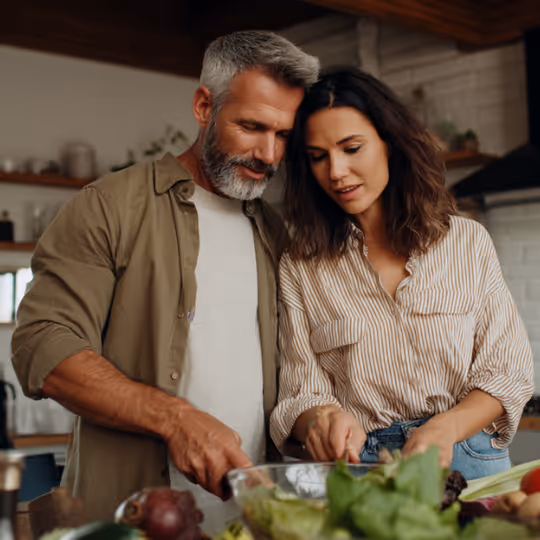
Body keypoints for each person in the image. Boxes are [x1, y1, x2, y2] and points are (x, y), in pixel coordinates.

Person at [12, 31, 319, 529]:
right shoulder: (110, 206)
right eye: (252, 126)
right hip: (133, 518)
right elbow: (42, 345)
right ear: (203, 106)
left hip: (248, 520)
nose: (269, 153)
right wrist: (175, 418)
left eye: (283, 134)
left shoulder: (274, 230)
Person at [270, 67, 534, 480]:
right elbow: (300, 393)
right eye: (318, 157)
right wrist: (321, 419)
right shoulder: (301, 266)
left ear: (389, 145)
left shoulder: (466, 242)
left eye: (351, 148)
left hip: (467, 458)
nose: (335, 171)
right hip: (364, 470)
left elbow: (508, 371)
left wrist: (445, 427)